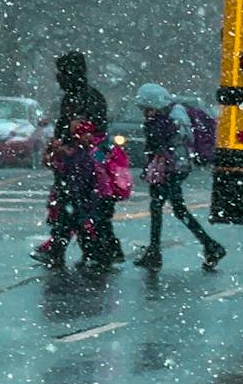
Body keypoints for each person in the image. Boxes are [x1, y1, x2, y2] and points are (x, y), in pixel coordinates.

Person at [32, 51, 122, 267]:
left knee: (72, 208)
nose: (58, 78)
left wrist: (63, 146)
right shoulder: (88, 95)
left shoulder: (78, 98)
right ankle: (99, 249)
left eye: (61, 73)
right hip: (85, 166)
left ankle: (75, 249)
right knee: (83, 209)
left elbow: (82, 134)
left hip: (80, 166)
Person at [130, 82, 227, 273]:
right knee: (175, 208)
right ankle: (209, 246)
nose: (144, 112)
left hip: (168, 168)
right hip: (178, 167)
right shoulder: (178, 113)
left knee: (160, 207)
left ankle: (158, 252)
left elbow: (159, 143)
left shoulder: (163, 120)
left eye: (145, 108)